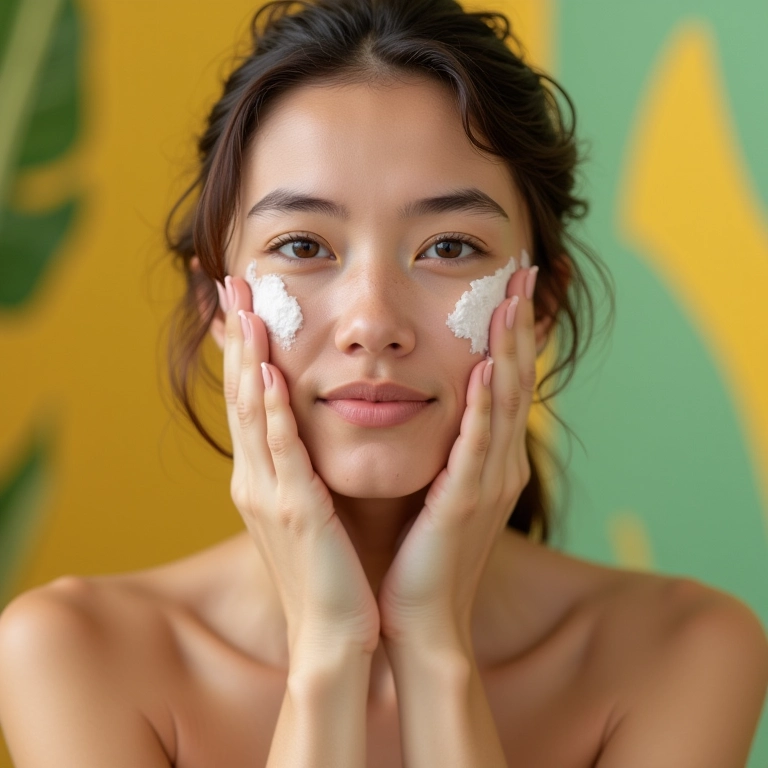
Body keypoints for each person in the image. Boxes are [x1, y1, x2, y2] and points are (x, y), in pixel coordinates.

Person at [1, 1, 767, 765]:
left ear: (539, 307)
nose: (372, 321)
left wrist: (434, 649)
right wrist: (331, 653)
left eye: (449, 246)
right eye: (302, 244)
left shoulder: (685, 654)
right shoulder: (73, 656)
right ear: (218, 307)